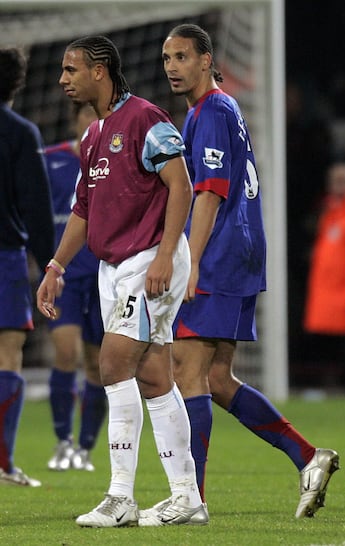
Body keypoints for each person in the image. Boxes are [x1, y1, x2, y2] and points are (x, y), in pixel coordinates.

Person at [150, 23, 339, 519]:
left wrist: (188, 261)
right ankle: (308, 457)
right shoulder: (213, 111)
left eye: (183, 57)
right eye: (167, 58)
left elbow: (209, 191)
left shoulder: (211, 111)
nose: (172, 66)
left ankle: (193, 499)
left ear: (208, 60)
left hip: (221, 254)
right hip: (239, 252)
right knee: (213, 376)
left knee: (186, 370)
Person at [37, 35, 206, 528]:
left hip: (148, 258)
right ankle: (186, 498)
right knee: (155, 377)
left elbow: (183, 184)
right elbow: (83, 211)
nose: (63, 80)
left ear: (100, 71)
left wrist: (165, 256)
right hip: (114, 267)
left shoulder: (146, 119)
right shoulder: (95, 136)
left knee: (111, 364)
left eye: (71, 70)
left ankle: (120, 498)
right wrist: (56, 267)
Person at [0, 47, 55, 486]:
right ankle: (3, 463)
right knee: (8, 352)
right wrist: (54, 263)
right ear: (16, 83)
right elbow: (37, 207)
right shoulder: (19, 132)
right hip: (4, 256)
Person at [45, 103, 107, 472]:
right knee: (64, 352)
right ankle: (62, 442)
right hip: (65, 277)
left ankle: (85, 447)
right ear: (75, 120)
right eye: (86, 116)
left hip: (102, 276)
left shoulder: (113, 164)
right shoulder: (48, 160)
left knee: (97, 367)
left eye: (98, 117)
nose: (91, 123)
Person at [303, 162, 345, 392]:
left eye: (343, 180)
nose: (337, 185)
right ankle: (344, 386)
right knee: (339, 345)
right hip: (333, 294)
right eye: (334, 180)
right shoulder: (334, 211)